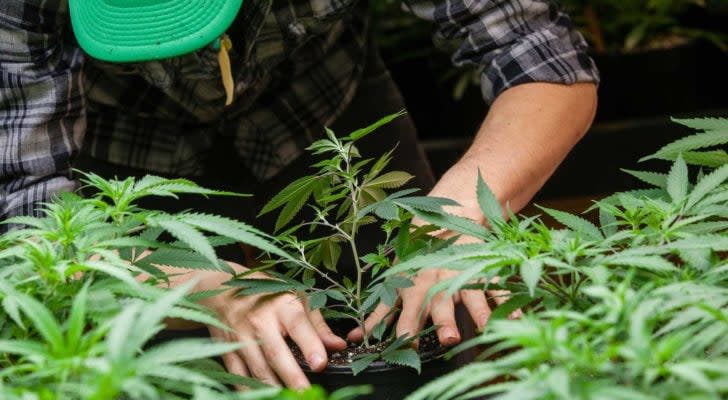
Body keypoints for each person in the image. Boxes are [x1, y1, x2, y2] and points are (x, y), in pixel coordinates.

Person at [0, 0, 598, 390]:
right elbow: (30, 211)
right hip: (125, 162)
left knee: (421, 330)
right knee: (167, 372)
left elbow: (541, 59)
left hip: (325, 112)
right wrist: (203, 288)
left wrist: (457, 219)